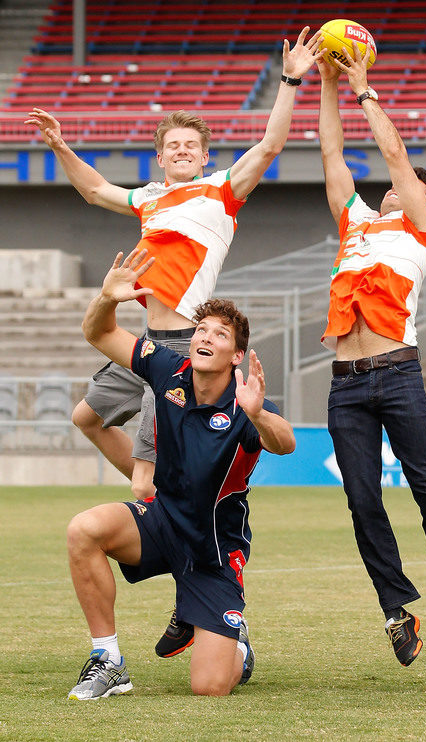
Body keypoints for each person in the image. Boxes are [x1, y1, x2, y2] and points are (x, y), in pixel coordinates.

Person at [25, 26, 322, 503]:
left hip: (184, 344)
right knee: (85, 417)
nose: (182, 151)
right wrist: (61, 146)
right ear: (160, 156)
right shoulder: (149, 199)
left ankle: (161, 499)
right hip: (144, 340)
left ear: (205, 156)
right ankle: (167, 490)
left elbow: (268, 146)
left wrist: (289, 82)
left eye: (191, 146)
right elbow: (96, 190)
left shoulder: (221, 192)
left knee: (144, 481)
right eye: (173, 146)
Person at [67, 248, 295, 699]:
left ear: (237, 354)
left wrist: (259, 415)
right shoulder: (168, 367)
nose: (206, 337)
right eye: (202, 330)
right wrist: (107, 298)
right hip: (162, 521)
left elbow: (284, 443)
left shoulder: (245, 402)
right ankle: (108, 660)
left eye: (220, 334)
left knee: (209, 689)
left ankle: (238, 648)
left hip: (214, 550)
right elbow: (99, 332)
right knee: (84, 530)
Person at [317, 41, 426, 666]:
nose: (389, 189)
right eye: (388, 188)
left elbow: (394, 153)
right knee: (362, 500)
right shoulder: (356, 223)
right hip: (346, 381)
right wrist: (327, 84)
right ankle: (395, 611)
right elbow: (333, 154)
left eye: (405, 187)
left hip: (398, 373)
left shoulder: (420, 227)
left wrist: (364, 89)